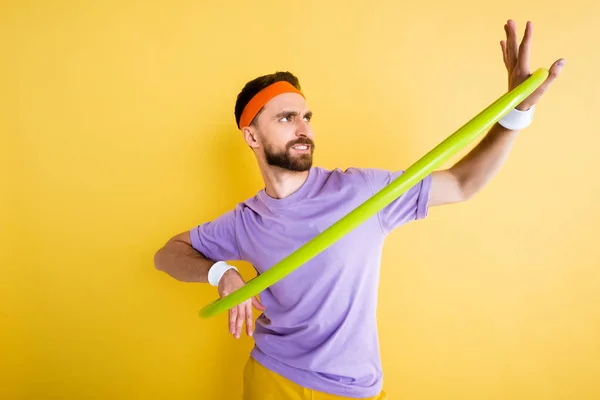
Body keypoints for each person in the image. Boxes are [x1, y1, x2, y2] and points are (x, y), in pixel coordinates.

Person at [154, 20, 564, 400]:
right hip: (273, 379)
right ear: (252, 136)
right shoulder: (247, 220)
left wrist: (517, 111)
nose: (304, 128)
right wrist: (220, 272)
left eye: (306, 116)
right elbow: (167, 253)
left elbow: (461, 183)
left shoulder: (361, 192)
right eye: (286, 117)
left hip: (356, 389)